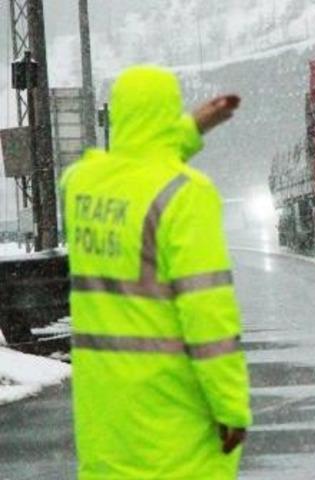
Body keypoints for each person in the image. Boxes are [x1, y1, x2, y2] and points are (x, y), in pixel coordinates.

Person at [61, 65, 252, 479]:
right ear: (168, 113)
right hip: (172, 421)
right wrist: (231, 407)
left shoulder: (80, 186)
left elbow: (132, 168)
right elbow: (208, 318)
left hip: (105, 425)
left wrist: (182, 134)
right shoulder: (186, 195)